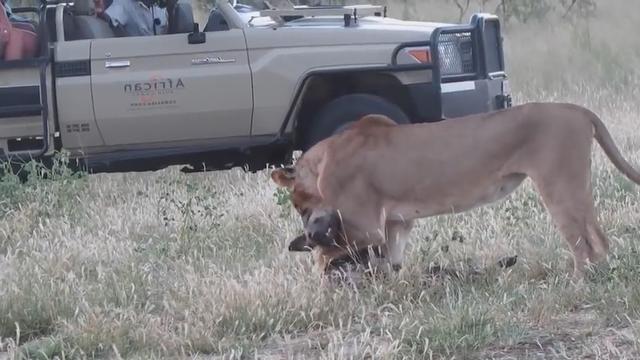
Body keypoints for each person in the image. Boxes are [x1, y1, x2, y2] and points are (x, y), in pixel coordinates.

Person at [102, 0, 168, 37]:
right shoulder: (122, 4)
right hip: (137, 55)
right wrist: (101, 14)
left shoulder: (161, 5)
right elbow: (110, 18)